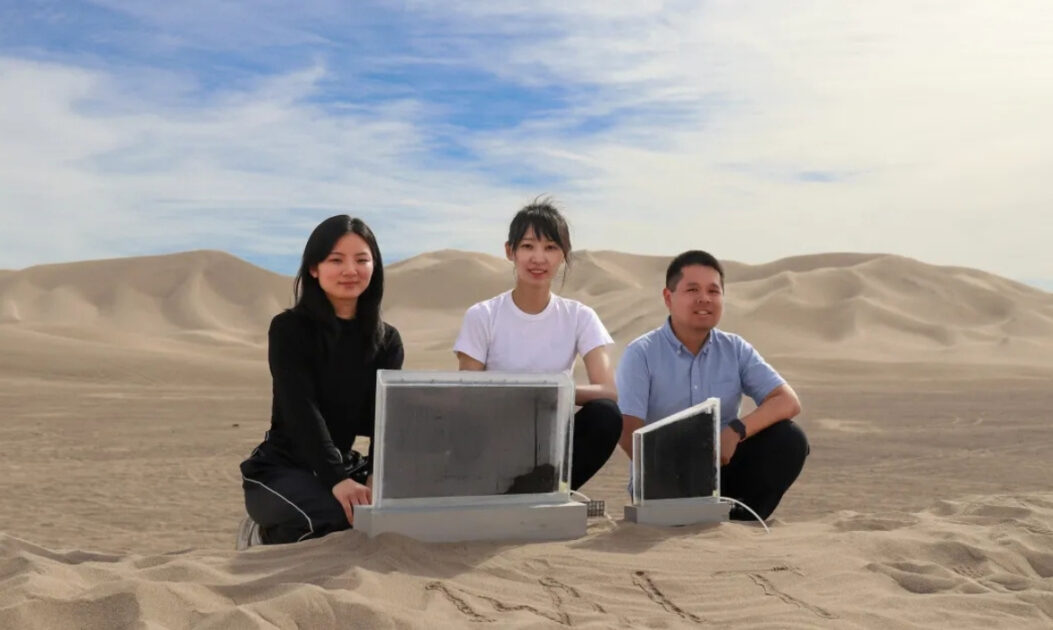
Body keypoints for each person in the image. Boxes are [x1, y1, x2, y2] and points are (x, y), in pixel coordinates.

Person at [238, 215, 404, 546]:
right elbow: (301, 409)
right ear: (314, 268)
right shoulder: (289, 329)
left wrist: (375, 476)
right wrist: (337, 480)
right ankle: (261, 533)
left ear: (375, 267)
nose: (350, 270)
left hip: (343, 465)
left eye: (362, 260)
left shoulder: (387, 341)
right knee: (341, 518)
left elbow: (385, 421)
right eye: (336, 260)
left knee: (396, 513)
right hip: (282, 470)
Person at [615, 250, 808, 520]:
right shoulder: (641, 353)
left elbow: (787, 401)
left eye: (713, 291)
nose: (704, 298)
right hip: (663, 479)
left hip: (721, 471)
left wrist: (736, 430)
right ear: (668, 298)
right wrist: (669, 470)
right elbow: (627, 431)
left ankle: (741, 525)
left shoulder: (735, 349)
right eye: (692, 289)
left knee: (789, 439)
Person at [453, 199, 621, 490]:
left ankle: (543, 493)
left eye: (551, 248)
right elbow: (468, 392)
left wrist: (548, 391)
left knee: (606, 416)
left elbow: (608, 390)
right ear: (510, 251)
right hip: (493, 439)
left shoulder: (580, 316)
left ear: (564, 255)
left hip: (551, 441)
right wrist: (520, 396)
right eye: (528, 246)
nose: (539, 258)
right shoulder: (483, 315)